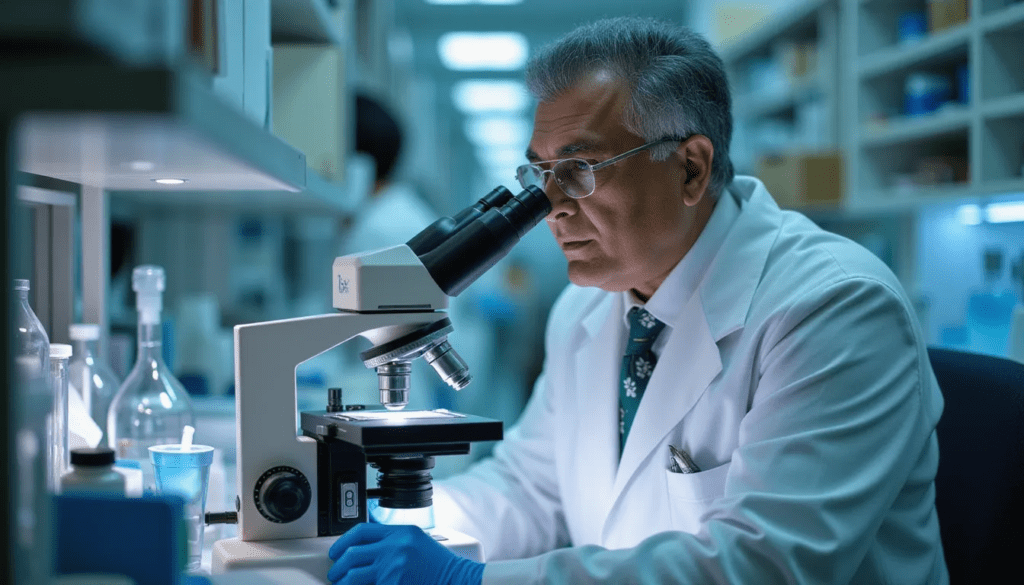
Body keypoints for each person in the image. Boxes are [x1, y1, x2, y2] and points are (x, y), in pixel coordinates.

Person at [326, 17, 948, 585]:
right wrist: (415, 517)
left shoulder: (835, 308)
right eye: (538, 175)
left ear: (690, 169)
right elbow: (532, 488)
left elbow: (764, 564)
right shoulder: (588, 309)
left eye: (580, 170)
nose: (551, 208)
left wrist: (470, 581)